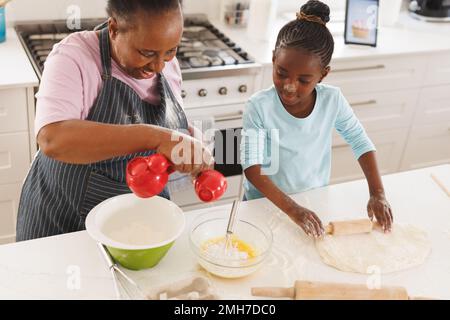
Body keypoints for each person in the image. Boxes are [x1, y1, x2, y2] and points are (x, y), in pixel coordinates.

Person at [16, 0, 212, 241]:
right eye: (146, 53)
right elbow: (53, 140)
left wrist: (189, 142)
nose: (159, 65)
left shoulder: (168, 66)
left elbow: (169, 125)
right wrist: (156, 137)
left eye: (171, 51)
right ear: (114, 29)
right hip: (63, 228)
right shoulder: (75, 56)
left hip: (138, 230)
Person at [240, 0, 393, 238]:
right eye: (281, 73)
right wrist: (293, 210)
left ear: (323, 74)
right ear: (273, 59)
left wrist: (377, 193)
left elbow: (361, 143)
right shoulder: (259, 107)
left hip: (313, 201)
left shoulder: (333, 101)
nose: (289, 86)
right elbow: (253, 169)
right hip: (264, 205)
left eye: (303, 80)